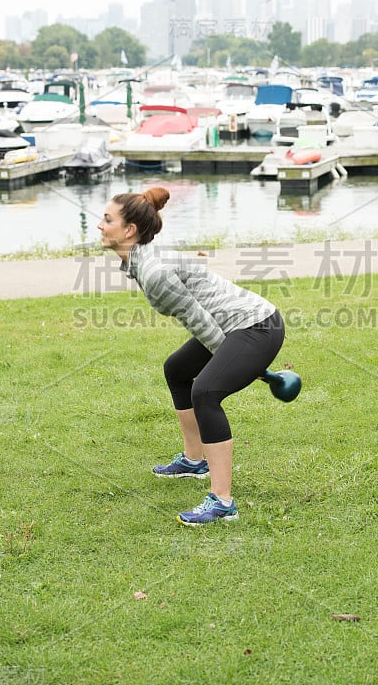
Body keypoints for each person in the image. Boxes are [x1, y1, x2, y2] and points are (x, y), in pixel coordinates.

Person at [97, 186, 285, 526]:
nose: (100, 225)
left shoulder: (154, 273)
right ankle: (193, 459)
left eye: (107, 219)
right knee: (178, 369)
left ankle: (223, 502)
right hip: (235, 326)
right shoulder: (142, 260)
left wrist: (245, 361)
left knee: (206, 392)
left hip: (257, 326)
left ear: (129, 231)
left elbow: (201, 324)